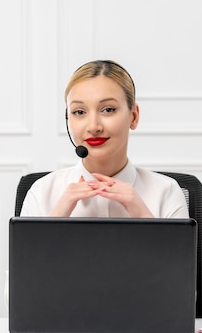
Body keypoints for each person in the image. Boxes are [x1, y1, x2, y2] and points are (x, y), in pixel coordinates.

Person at [20, 60, 189, 218]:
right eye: (79, 112)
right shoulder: (41, 192)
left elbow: (176, 251)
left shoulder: (166, 192)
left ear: (134, 116)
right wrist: (52, 222)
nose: (94, 126)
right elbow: (25, 251)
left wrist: (143, 216)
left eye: (108, 109)